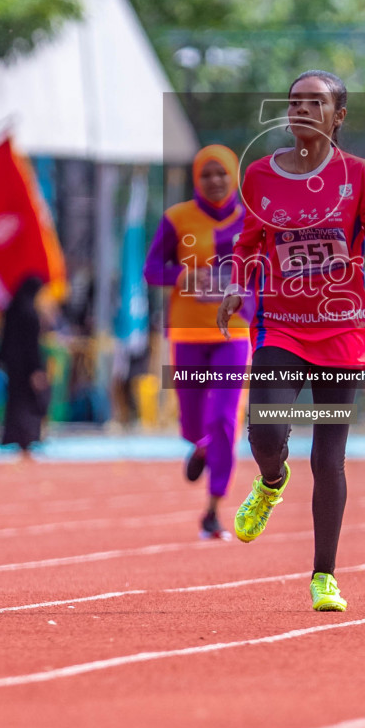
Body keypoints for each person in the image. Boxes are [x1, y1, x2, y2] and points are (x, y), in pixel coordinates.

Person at [215, 70, 365, 613]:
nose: (301, 110)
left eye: (314, 103)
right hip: (280, 323)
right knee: (265, 431)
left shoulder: (359, 176)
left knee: (330, 455)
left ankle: (325, 575)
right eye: (294, 101)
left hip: (342, 331)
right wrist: (235, 285)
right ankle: (272, 479)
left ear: (338, 116)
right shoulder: (259, 176)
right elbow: (250, 243)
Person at [144, 143, 250, 540]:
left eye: (222, 173)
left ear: (234, 175)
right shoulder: (177, 218)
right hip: (187, 331)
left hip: (233, 333)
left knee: (225, 418)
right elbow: (152, 269)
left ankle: (213, 507)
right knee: (192, 423)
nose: (216, 181)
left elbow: (265, 269)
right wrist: (183, 278)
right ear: (196, 180)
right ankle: (200, 445)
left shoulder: (250, 220)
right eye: (207, 174)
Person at [0, 274, 51, 459]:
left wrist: (0, 360)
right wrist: (37, 369)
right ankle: (26, 439)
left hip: (12, 367)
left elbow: (3, 339)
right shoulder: (30, 314)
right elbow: (32, 346)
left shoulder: (11, 310)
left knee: (15, 403)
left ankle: (15, 438)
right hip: (28, 368)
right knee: (29, 404)